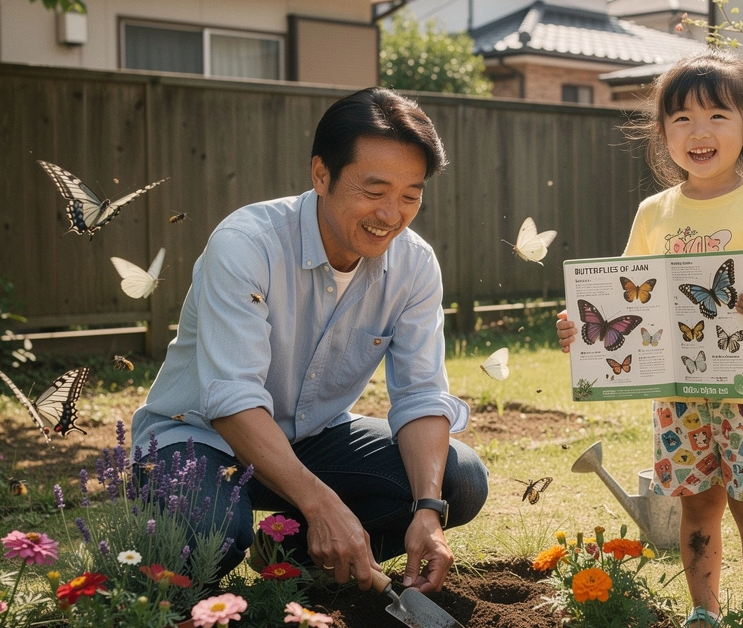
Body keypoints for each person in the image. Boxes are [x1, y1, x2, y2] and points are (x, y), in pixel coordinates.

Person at [132, 87, 488, 594]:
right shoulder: (246, 245)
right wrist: (324, 504)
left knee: (461, 480)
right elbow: (232, 401)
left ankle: (287, 553)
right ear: (321, 175)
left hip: (312, 440)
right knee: (208, 534)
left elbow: (420, 395)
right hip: (197, 440)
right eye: (374, 190)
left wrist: (428, 510)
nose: (392, 214)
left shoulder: (414, 263)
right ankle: (214, 559)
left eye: (410, 196)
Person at [557, 51, 743, 628]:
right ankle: (704, 613)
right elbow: (622, 296)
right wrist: (580, 328)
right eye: (681, 120)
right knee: (697, 505)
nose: (699, 133)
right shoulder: (655, 212)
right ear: (663, 132)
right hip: (679, 392)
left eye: (717, 116)